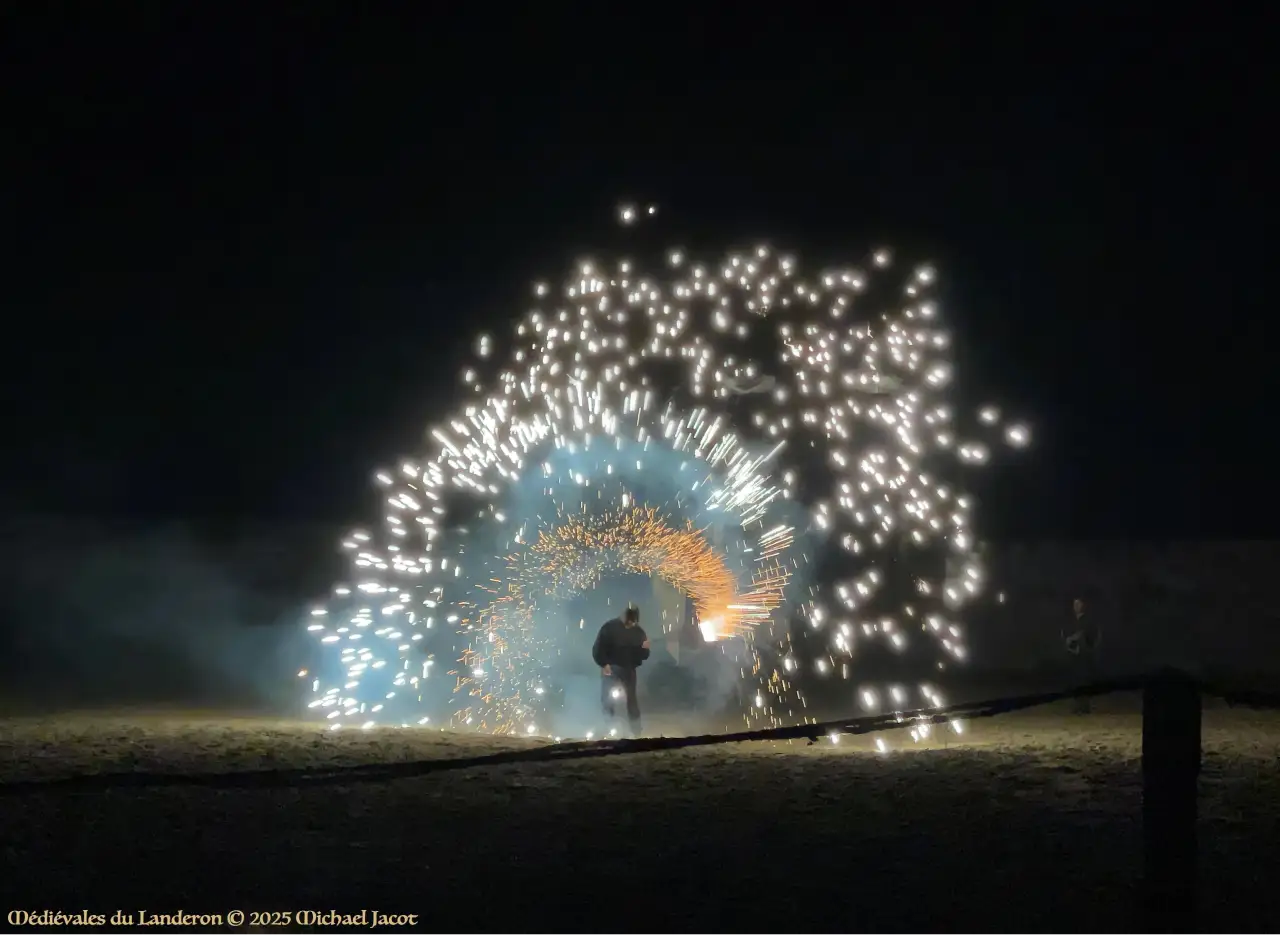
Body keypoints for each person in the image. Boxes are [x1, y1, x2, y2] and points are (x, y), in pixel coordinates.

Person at [592, 606, 650, 736]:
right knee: (608, 699)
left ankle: (636, 731)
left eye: (634, 622)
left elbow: (644, 654)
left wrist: (645, 650)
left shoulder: (638, 632)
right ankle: (610, 728)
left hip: (629, 669)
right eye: (630, 622)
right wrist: (604, 664)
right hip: (611, 669)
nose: (631, 624)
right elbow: (598, 647)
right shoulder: (609, 628)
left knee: (632, 700)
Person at [1063, 598, 1101, 713]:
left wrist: (1086, 646)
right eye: (1075, 604)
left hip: (1085, 656)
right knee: (1075, 681)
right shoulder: (1070, 621)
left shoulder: (1088, 621)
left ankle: (1085, 708)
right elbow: (1066, 636)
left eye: (1078, 604)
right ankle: (1076, 707)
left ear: (1083, 605)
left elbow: (1093, 636)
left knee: (1084, 681)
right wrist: (1069, 642)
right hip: (1073, 656)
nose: (1076, 606)